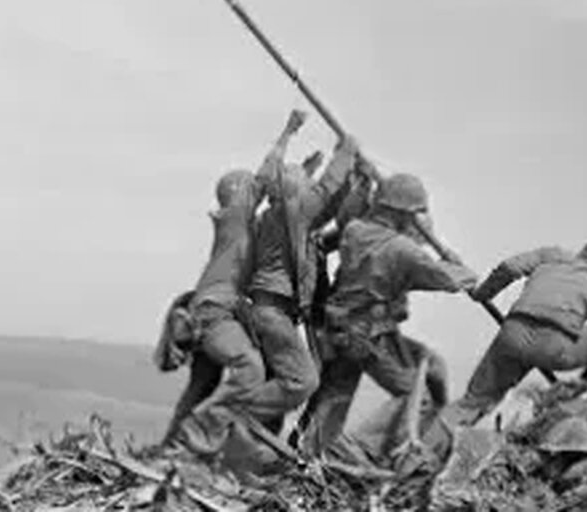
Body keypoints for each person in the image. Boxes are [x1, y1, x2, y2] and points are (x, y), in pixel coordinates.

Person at [294, 173, 479, 459]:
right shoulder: (402, 250)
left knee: (337, 395)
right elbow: (447, 279)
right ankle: (362, 449)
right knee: (416, 397)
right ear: (403, 213)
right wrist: (460, 268)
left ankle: (309, 455)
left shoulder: (354, 231)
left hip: (340, 330)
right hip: (369, 335)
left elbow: (358, 222)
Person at [159, 110, 307, 452]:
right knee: (249, 368)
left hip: (217, 311)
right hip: (215, 312)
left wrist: (304, 176)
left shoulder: (240, 226)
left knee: (202, 385)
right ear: (240, 194)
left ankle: (172, 447)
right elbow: (266, 175)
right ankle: (197, 432)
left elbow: (281, 200)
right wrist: (288, 132)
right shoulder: (235, 219)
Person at [226, 133, 361, 434]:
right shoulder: (292, 216)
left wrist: (352, 177)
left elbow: (327, 204)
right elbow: (325, 193)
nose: (310, 190)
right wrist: (346, 152)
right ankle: (238, 411)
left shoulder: (276, 219)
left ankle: (255, 442)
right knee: (304, 380)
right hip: (272, 313)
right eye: (305, 186)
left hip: (271, 312)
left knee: (285, 380)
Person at [442, 239, 587, 427]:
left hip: (513, 333)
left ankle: (422, 450)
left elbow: (510, 267)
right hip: (554, 345)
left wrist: (482, 294)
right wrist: (584, 382)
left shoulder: (551, 255)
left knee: (472, 402)